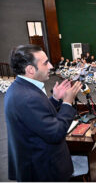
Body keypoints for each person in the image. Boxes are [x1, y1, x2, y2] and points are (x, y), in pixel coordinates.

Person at [4, 44, 82, 181]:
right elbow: (56, 133)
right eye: (45, 63)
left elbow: (36, 118)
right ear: (30, 69)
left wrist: (56, 99)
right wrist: (67, 102)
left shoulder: (20, 88)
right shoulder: (28, 97)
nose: (51, 66)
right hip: (43, 170)